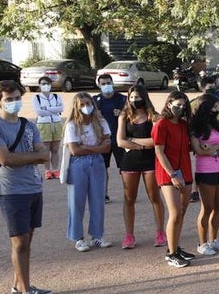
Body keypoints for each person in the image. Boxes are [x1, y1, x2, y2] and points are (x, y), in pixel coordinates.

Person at [0, 81, 52, 294]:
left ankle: (19, 285)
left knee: (27, 240)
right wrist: (30, 156)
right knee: (19, 242)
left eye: (16, 98)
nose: (13, 102)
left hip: (33, 186)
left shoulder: (28, 125)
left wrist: (18, 156)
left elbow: (45, 155)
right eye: (8, 99)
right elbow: (6, 160)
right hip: (11, 190)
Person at [63, 92, 113, 251]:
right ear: (77, 107)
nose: (86, 107)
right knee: (76, 201)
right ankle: (78, 237)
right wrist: (95, 148)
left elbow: (106, 147)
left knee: (97, 199)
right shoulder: (72, 125)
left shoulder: (100, 122)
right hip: (78, 164)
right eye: (82, 104)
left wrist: (86, 147)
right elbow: (74, 150)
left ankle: (97, 235)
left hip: (97, 162)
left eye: (88, 103)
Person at [116, 86, 164, 250]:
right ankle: (129, 235)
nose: (134, 100)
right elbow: (120, 142)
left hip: (150, 162)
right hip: (129, 162)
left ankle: (160, 232)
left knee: (154, 197)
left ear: (144, 97)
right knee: (129, 199)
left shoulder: (154, 117)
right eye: (131, 97)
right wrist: (144, 144)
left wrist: (133, 141)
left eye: (137, 97)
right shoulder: (124, 116)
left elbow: (155, 141)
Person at [153, 91, 196, 269]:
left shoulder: (184, 125)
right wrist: (172, 174)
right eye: (177, 105)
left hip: (185, 170)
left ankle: (175, 247)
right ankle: (171, 253)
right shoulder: (161, 124)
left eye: (183, 106)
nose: (180, 109)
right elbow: (159, 151)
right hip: (168, 174)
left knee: (182, 212)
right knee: (175, 213)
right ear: (169, 103)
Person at [189, 95, 219, 256]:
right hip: (205, 171)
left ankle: (214, 240)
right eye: (214, 107)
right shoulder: (196, 127)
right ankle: (202, 243)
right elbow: (199, 150)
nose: (217, 110)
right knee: (207, 208)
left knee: (218, 206)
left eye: (218, 107)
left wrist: (214, 150)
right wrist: (218, 148)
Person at [93, 74, 126, 203]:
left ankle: (128, 193)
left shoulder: (122, 99)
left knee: (124, 168)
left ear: (112, 83)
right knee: (102, 168)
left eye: (108, 83)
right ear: (99, 85)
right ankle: (104, 194)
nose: (106, 86)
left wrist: (123, 113)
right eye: (103, 84)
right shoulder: (95, 101)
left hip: (119, 138)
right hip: (102, 140)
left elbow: (131, 115)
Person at [31, 77, 64, 179]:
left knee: (55, 149)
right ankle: (47, 170)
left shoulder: (56, 96)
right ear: (39, 85)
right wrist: (54, 110)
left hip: (57, 123)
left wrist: (47, 109)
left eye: (47, 83)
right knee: (46, 149)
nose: (45, 86)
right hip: (44, 124)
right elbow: (39, 112)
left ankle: (55, 169)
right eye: (43, 84)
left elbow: (61, 108)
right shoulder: (36, 98)